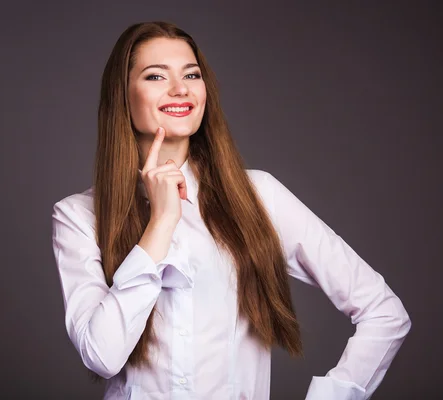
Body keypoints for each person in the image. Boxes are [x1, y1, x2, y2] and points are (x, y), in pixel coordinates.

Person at [51, 21, 411, 400]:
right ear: (122, 95)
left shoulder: (259, 196)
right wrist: (160, 223)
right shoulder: (78, 216)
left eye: (192, 74)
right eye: (156, 76)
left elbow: (383, 312)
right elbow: (101, 355)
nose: (180, 89)